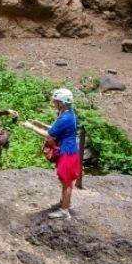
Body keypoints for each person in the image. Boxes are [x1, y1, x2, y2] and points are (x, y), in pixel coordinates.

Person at [46, 87, 80, 220]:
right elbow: (56, 130)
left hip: (67, 152)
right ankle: (64, 203)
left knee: (66, 183)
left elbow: (50, 134)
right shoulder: (69, 114)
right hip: (70, 150)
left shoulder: (65, 118)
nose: (54, 103)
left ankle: (64, 210)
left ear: (62, 103)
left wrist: (32, 127)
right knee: (66, 181)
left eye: (56, 101)